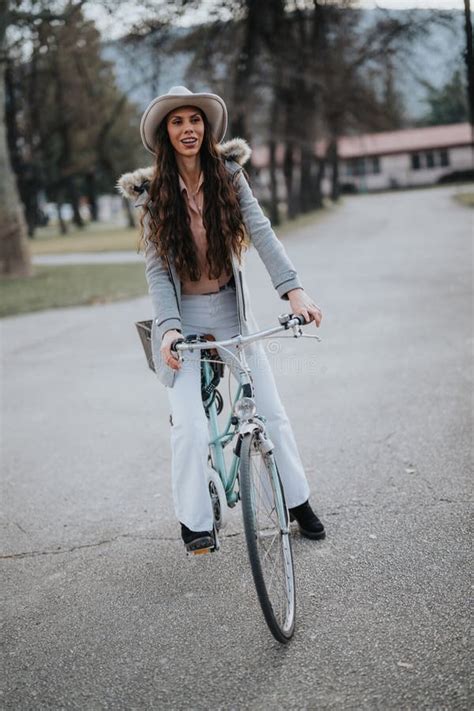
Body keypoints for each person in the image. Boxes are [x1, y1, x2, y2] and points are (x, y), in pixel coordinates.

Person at [118, 86, 325, 553]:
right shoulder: (153, 195)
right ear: (165, 134)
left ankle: (297, 502)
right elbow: (156, 267)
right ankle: (195, 523)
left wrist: (294, 291)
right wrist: (168, 328)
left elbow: (262, 233)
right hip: (183, 319)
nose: (188, 129)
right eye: (177, 122)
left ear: (205, 127)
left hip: (235, 311)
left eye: (194, 120)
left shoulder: (230, 176)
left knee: (272, 413)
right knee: (189, 427)